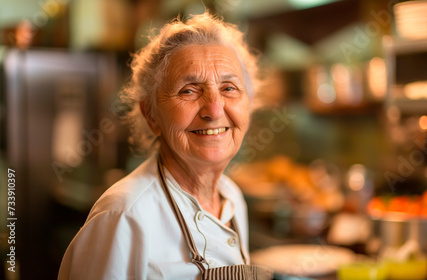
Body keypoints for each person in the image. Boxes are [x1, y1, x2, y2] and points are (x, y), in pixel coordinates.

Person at [58, 12, 273, 280]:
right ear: (151, 115)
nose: (214, 110)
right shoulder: (124, 215)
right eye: (189, 90)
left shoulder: (232, 198)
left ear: (248, 106)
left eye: (229, 88)